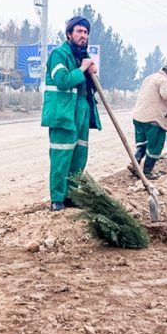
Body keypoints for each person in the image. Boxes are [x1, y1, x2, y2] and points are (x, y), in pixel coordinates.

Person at [41, 16, 101, 212]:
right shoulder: (59, 55)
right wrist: (83, 68)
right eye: (79, 31)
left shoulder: (81, 56)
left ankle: (71, 196)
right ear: (69, 34)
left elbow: (86, 85)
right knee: (61, 156)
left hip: (82, 108)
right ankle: (57, 198)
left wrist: (91, 73)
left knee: (79, 155)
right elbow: (62, 80)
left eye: (85, 32)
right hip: (64, 112)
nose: (83, 35)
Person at [130, 58, 167, 179]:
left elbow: (154, 94)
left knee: (142, 144)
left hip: (140, 116)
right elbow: (166, 94)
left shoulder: (150, 77)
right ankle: (147, 171)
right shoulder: (164, 80)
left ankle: (135, 164)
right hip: (154, 119)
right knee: (155, 146)